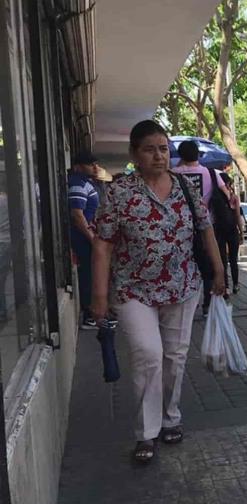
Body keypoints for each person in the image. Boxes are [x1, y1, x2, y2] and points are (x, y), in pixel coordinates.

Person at [91, 120, 226, 464]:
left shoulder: (184, 186)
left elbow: (206, 230)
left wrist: (220, 272)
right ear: (134, 154)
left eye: (163, 148)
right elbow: (103, 245)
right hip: (134, 289)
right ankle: (145, 433)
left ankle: (171, 418)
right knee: (149, 355)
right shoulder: (119, 192)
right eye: (149, 149)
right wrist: (100, 296)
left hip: (182, 286)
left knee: (175, 357)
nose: (158, 155)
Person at [173, 141, 231, 317]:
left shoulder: (172, 174)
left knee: (181, 266)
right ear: (198, 154)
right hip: (207, 227)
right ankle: (208, 303)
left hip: (179, 230)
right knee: (210, 266)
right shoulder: (212, 173)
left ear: (180, 155)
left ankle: (182, 304)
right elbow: (227, 196)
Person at [67, 151, 101, 329]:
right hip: (83, 239)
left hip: (88, 237)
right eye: (90, 164)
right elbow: (77, 215)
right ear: (78, 166)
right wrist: (92, 238)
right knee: (88, 275)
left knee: (93, 273)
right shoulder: (77, 184)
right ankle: (89, 316)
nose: (95, 167)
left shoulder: (85, 183)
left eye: (95, 164)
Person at [209, 172, 244, 295]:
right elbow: (237, 215)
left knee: (222, 259)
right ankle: (235, 284)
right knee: (233, 260)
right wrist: (241, 232)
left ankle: (226, 286)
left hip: (218, 230)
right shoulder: (233, 197)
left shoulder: (214, 197)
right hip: (232, 230)